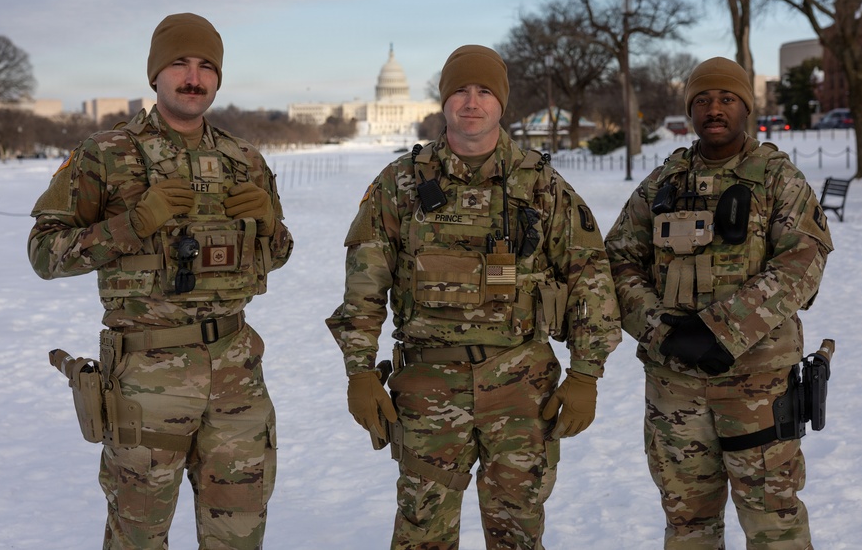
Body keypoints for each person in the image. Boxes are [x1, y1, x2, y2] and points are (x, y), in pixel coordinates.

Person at [326, 44, 621, 550]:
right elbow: (364, 287)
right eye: (460, 90)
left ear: (501, 103)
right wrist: (359, 370)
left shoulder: (542, 186)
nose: (471, 101)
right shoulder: (399, 184)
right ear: (442, 101)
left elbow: (591, 280)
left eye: (484, 90)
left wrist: (586, 374)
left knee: (518, 534)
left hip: (521, 388)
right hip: (427, 388)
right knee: (422, 534)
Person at [29, 12, 294, 550]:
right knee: (138, 536)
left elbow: (278, 254)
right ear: (155, 74)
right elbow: (43, 253)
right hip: (146, 380)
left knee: (239, 533)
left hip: (236, 373)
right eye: (179, 63)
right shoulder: (103, 154)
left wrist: (271, 223)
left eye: (205, 66)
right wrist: (132, 225)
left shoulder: (245, 159)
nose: (193, 77)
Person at [604, 57, 834, 549]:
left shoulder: (776, 178)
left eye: (726, 98)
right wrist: (661, 328)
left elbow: (802, 263)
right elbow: (617, 261)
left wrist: (719, 331)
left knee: (775, 526)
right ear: (690, 110)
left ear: (745, 107)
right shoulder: (666, 181)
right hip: (675, 389)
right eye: (703, 100)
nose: (714, 109)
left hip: (757, 388)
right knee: (688, 527)